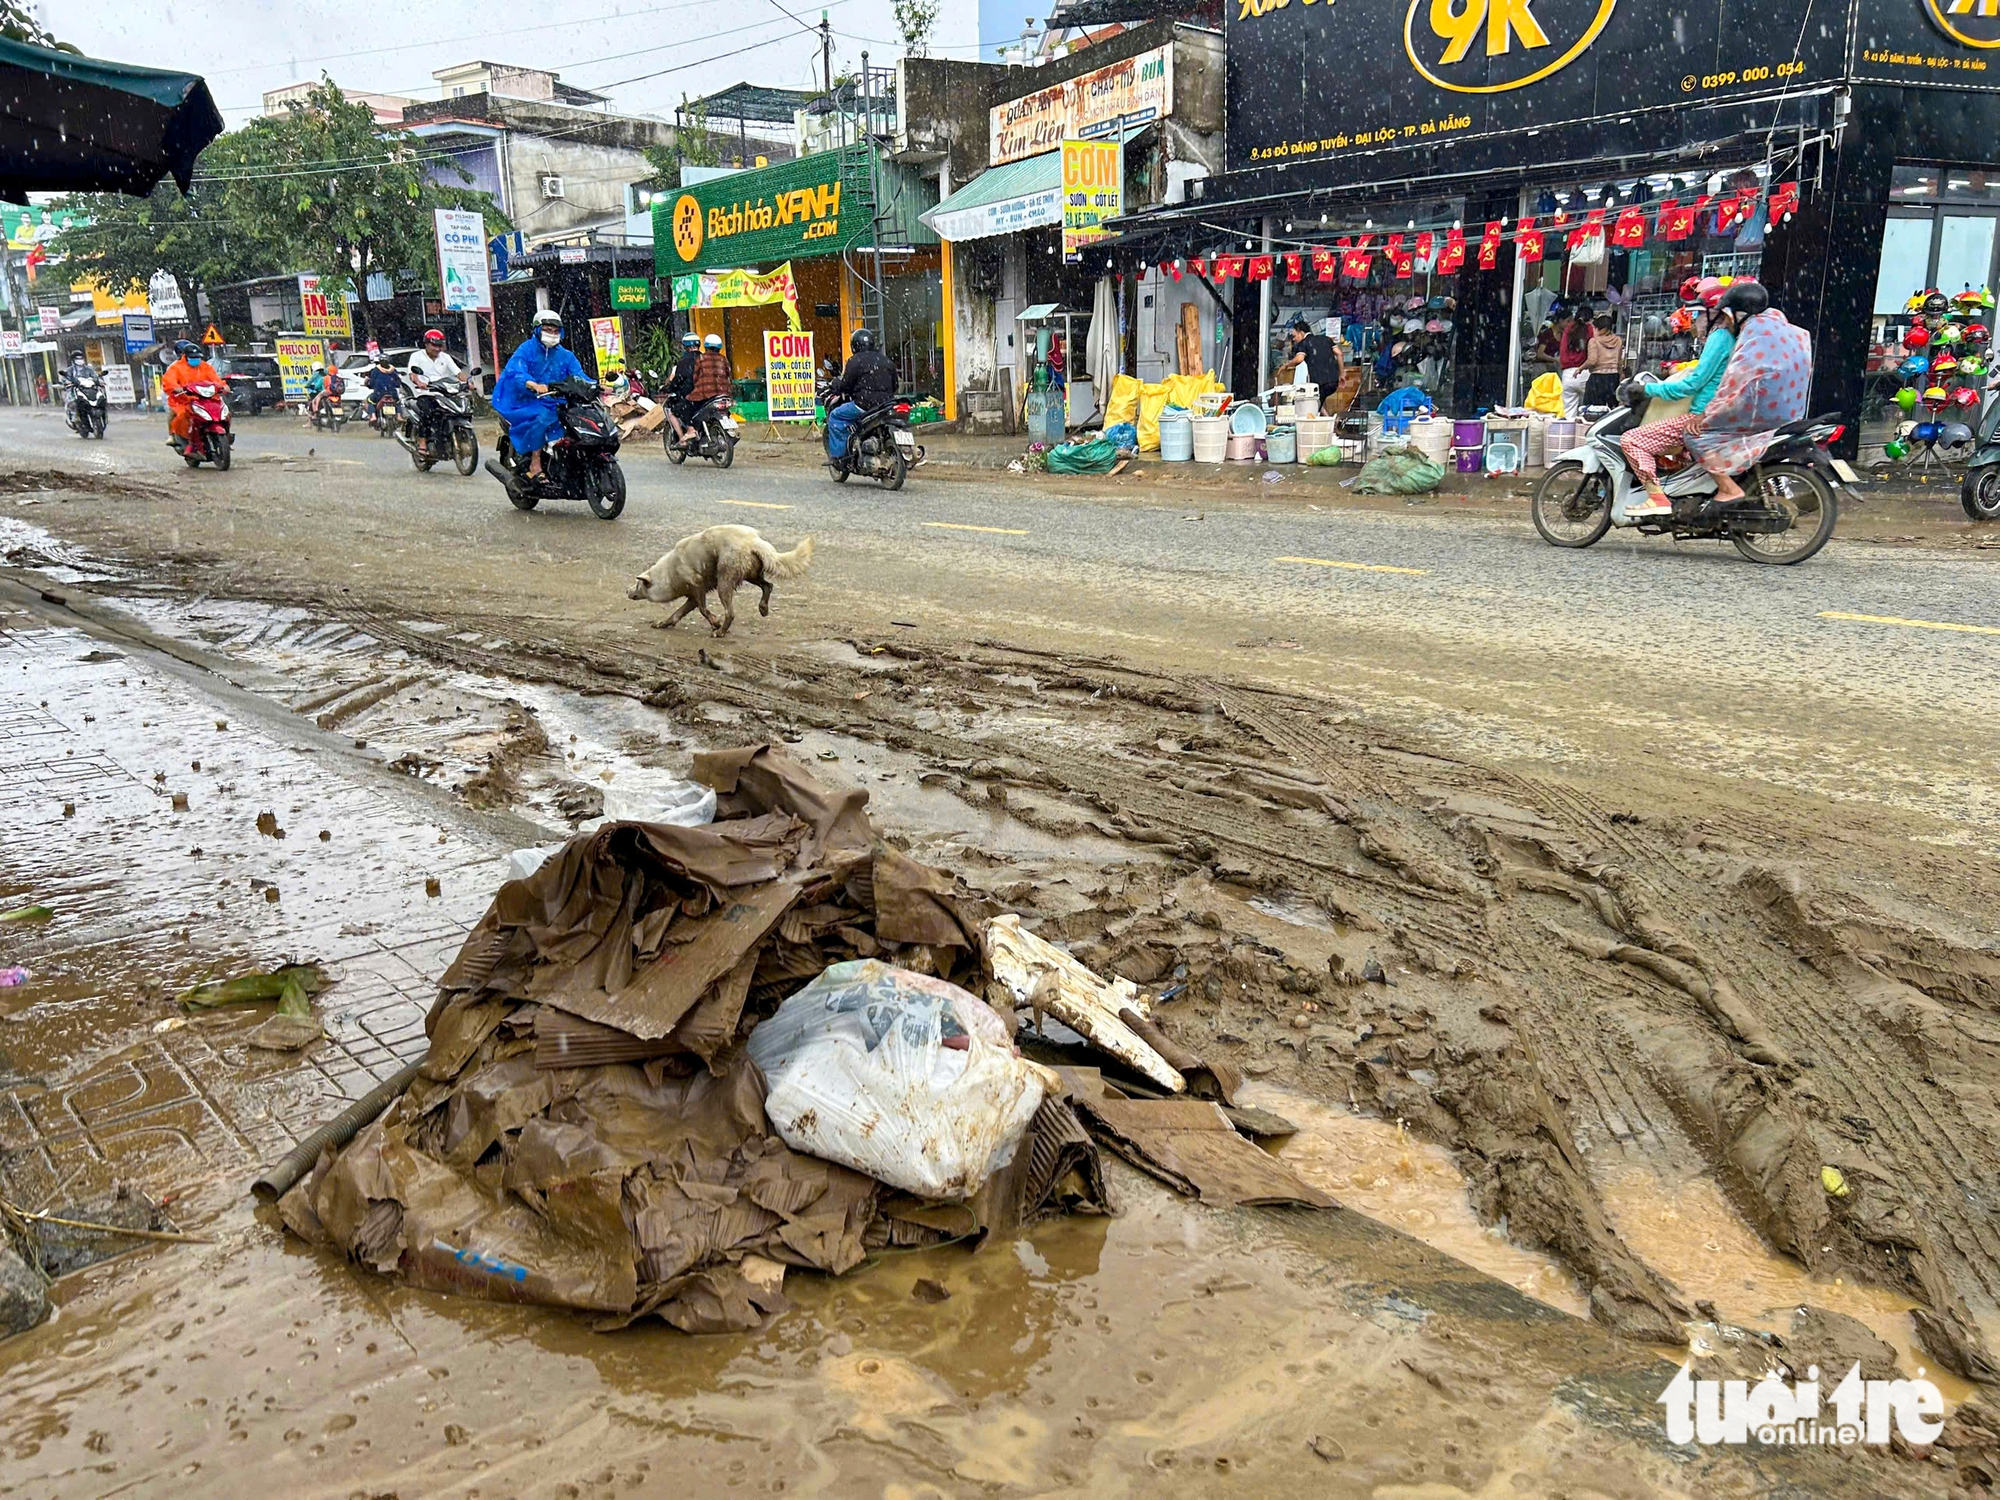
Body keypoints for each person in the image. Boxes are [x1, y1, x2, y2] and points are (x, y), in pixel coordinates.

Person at [1620, 278, 1738, 517]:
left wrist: (1648, 390)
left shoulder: (1719, 338)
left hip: (1701, 415)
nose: (1694, 321)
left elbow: (1692, 385)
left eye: (1698, 315)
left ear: (1713, 314)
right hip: (1716, 413)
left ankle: (1656, 498)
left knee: (1631, 440)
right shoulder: (1726, 338)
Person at [1683, 282, 1809, 504]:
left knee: (1695, 435)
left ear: (1738, 313)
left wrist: (1705, 415)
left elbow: (1732, 384)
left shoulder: (1753, 334)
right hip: (1789, 411)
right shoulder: (1782, 327)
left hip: (1759, 411)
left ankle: (1728, 488)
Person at [492, 309, 586, 482]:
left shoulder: (566, 355)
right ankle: (535, 464)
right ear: (537, 329)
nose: (552, 334)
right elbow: (516, 371)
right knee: (542, 418)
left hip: (556, 399)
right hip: (526, 400)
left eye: (556, 331)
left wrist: (600, 386)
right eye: (548, 330)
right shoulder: (526, 350)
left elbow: (579, 376)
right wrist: (532, 384)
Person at [824, 327, 896, 464]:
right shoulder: (886, 360)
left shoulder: (855, 361)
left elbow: (846, 386)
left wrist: (837, 386)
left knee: (835, 416)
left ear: (855, 345)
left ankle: (839, 458)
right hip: (886, 404)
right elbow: (895, 385)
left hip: (864, 404)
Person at [161, 340, 223, 454]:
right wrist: (176, 387)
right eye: (192, 357)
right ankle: (179, 436)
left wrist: (223, 386)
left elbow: (215, 379)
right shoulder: (176, 368)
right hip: (183, 400)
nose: (196, 359)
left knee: (223, 412)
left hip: (205, 398)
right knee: (181, 415)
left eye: (197, 357)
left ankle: (225, 436)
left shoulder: (205, 366)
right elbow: (168, 381)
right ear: (185, 356)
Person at [406, 328, 461, 456]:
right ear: (426, 344)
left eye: (440, 346)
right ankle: (423, 442)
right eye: (434, 345)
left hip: (443, 393)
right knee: (428, 413)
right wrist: (419, 382)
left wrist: (468, 382)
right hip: (425, 393)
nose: (437, 349)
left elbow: (458, 373)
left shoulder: (445, 357)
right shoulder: (416, 356)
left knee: (459, 410)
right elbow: (413, 374)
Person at [1276, 316, 1345, 412]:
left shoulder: (1304, 343)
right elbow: (1339, 354)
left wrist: (1287, 364)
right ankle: (1329, 420)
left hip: (1319, 382)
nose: (1294, 339)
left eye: (1294, 336)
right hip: (1333, 381)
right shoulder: (1326, 339)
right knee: (1317, 402)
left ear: (1301, 333)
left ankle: (1323, 423)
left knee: (1312, 406)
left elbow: (1299, 359)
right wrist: (1341, 374)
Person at [661, 332, 700, 442]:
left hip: (690, 395)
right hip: (705, 395)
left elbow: (679, 379)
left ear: (685, 346)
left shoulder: (684, 361)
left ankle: (683, 437)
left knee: (674, 411)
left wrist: (669, 388)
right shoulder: (703, 357)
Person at [1581, 314, 1625, 408]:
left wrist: (1580, 368)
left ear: (1597, 328)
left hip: (1597, 378)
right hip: (1613, 377)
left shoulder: (1594, 341)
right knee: (1611, 408)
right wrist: (1621, 374)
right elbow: (1619, 361)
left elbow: (1592, 361)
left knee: (1592, 409)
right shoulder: (1618, 340)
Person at [363, 359, 399, 427]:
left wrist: (369, 385)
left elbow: (372, 383)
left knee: (370, 401)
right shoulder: (393, 370)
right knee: (397, 402)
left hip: (379, 394)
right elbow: (398, 382)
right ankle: (399, 416)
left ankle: (373, 416)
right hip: (392, 393)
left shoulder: (375, 371)